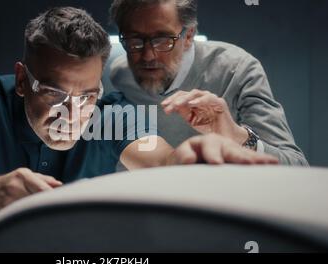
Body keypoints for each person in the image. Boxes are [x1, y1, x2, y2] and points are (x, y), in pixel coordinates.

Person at [0, 7, 277, 231]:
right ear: (23, 80)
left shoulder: (111, 113)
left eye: (87, 95)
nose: (73, 114)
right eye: (55, 94)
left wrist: (188, 158)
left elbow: (162, 159)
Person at [109, 0, 308, 165]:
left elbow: (297, 166)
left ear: (189, 36)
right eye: (134, 40)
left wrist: (237, 136)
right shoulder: (120, 74)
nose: (147, 55)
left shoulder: (236, 70)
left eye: (162, 40)